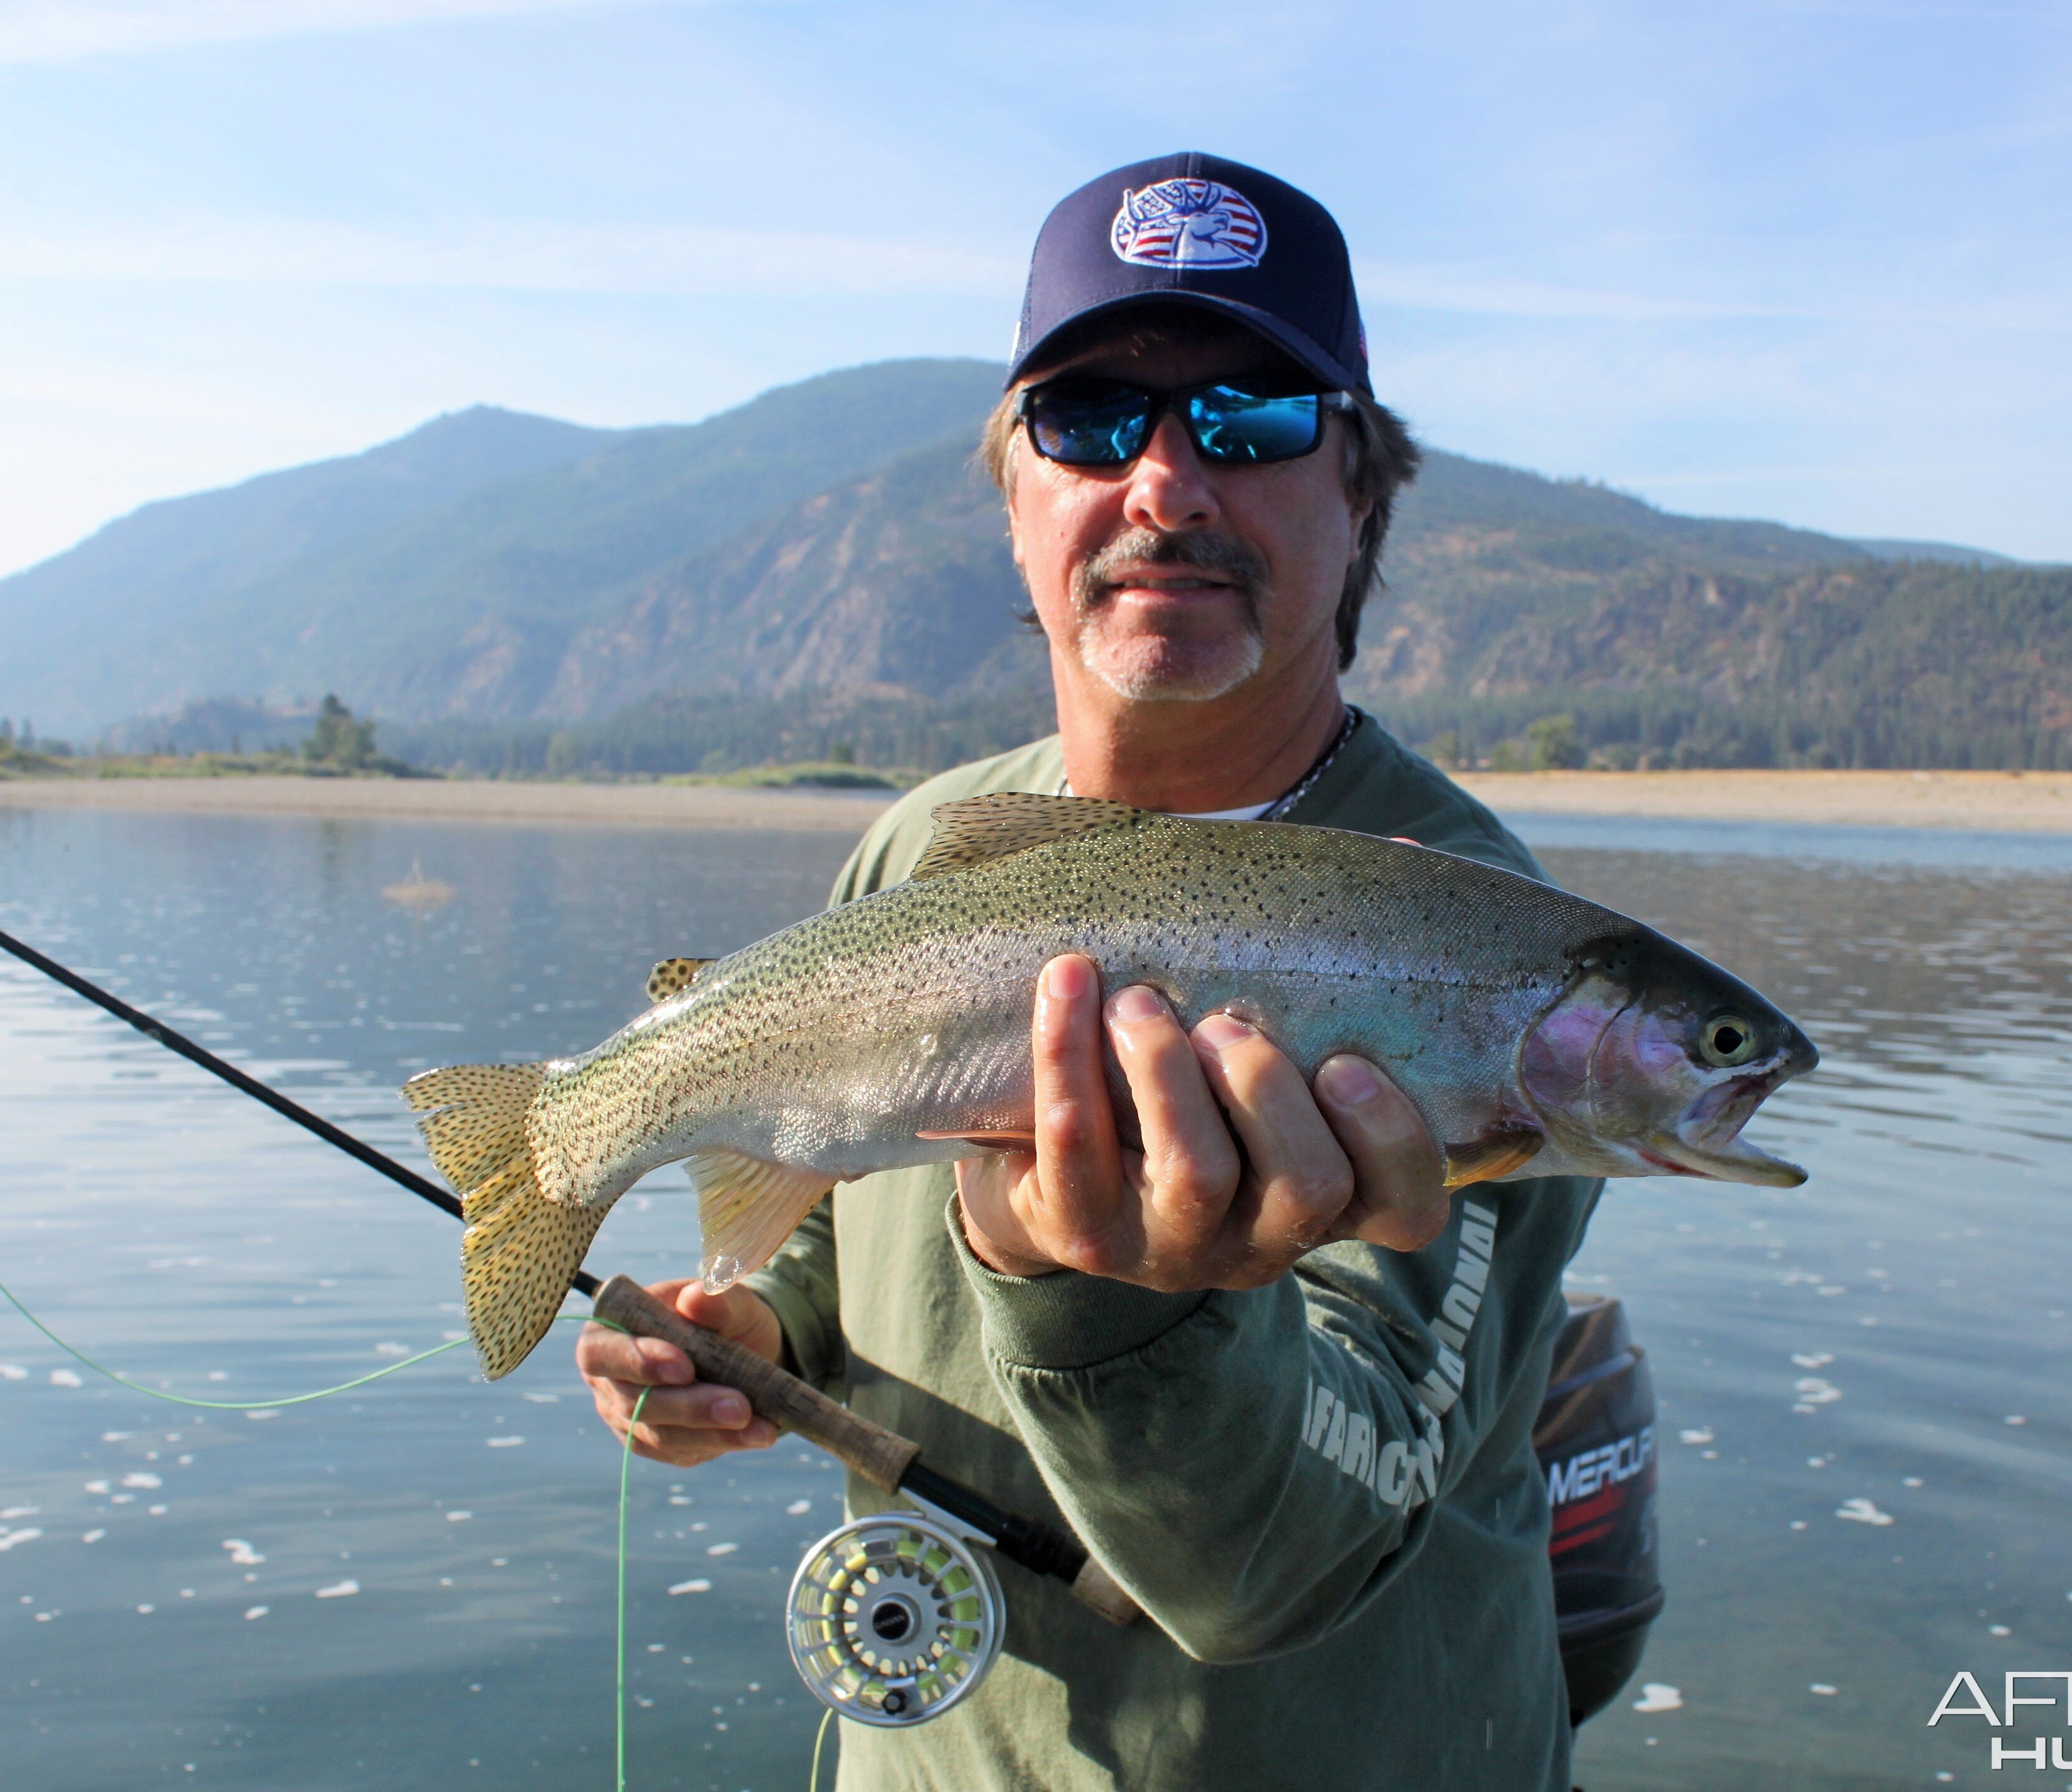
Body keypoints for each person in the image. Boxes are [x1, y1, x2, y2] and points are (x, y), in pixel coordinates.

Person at [575, 151, 1601, 1790]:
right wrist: (746, 1337)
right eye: (1092, 420)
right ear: (1013, 498)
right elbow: (839, 1240)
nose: (1169, 485)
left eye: (1254, 418)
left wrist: (1096, 1293)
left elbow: (1289, 1556)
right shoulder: (917, 849)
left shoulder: (1482, 948)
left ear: (1362, 497)